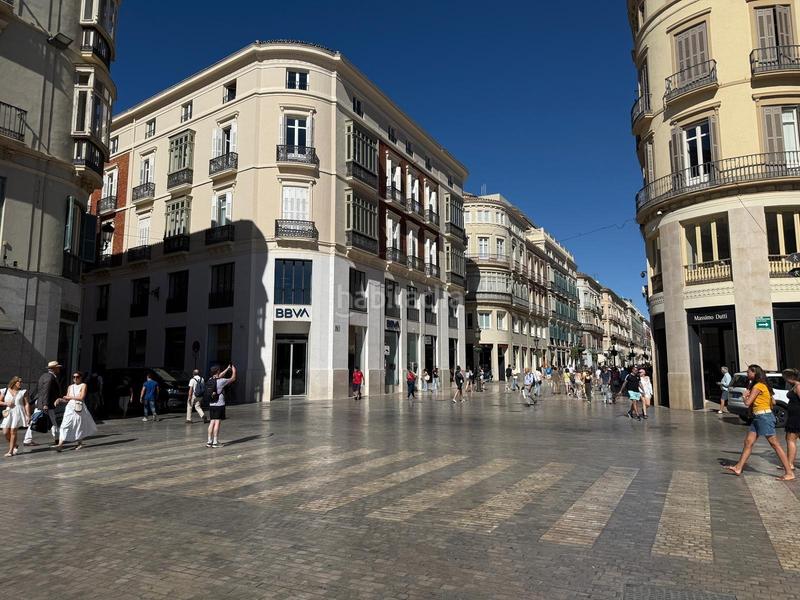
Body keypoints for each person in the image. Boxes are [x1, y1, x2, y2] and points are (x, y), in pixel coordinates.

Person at [726, 364, 794, 480]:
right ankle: (739, 467)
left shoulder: (758, 386)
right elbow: (773, 402)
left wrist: (744, 396)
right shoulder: (763, 386)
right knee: (748, 442)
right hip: (758, 417)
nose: (747, 374)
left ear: (755, 373)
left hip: (764, 417)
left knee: (775, 444)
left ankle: (789, 472)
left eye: (749, 372)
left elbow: (747, 403)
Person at [55, 372, 97, 452]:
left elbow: (81, 397)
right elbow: (67, 399)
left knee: (78, 425)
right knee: (64, 425)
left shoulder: (83, 385)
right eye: (73, 377)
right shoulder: (70, 387)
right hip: (70, 408)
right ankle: (60, 444)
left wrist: (69, 397)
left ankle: (80, 443)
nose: (75, 378)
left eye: (77, 377)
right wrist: (60, 399)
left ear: (81, 377)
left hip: (79, 408)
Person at [23, 360, 62, 446]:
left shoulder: (43, 376)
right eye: (58, 367)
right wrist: (45, 404)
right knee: (53, 421)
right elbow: (46, 391)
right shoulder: (50, 377)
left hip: (41, 402)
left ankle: (27, 439)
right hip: (46, 403)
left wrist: (34, 400)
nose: (59, 369)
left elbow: (37, 389)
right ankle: (57, 439)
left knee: (34, 420)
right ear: (54, 369)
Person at [207, 364, 236, 448]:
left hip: (211, 404)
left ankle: (209, 441)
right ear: (218, 371)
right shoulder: (222, 381)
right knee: (217, 422)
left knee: (212, 422)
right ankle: (215, 442)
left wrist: (227, 369)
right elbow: (233, 378)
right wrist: (234, 370)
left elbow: (218, 376)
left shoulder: (210, 380)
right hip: (219, 404)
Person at [0, 377, 28, 457]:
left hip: (18, 412)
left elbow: (26, 404)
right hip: (9, 413)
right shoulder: (5, 390)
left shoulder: (23, 392)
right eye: (19, 382)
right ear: (14, 382)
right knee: (5, 432)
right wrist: (6, 403)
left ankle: (11, 451)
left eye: (21, 382)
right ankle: (15, 445)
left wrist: (28, 415)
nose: (21, 383)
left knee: (13, 431)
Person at [782, 368, 800, 473]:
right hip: (794, 416)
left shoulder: (798, 386)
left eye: (785, 377)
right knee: (789, 438)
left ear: (791, 377)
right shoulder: (794, 386)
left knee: (790, 439)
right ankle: (789, 463)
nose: (785, 379)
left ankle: (789, 464)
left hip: (797, 417)